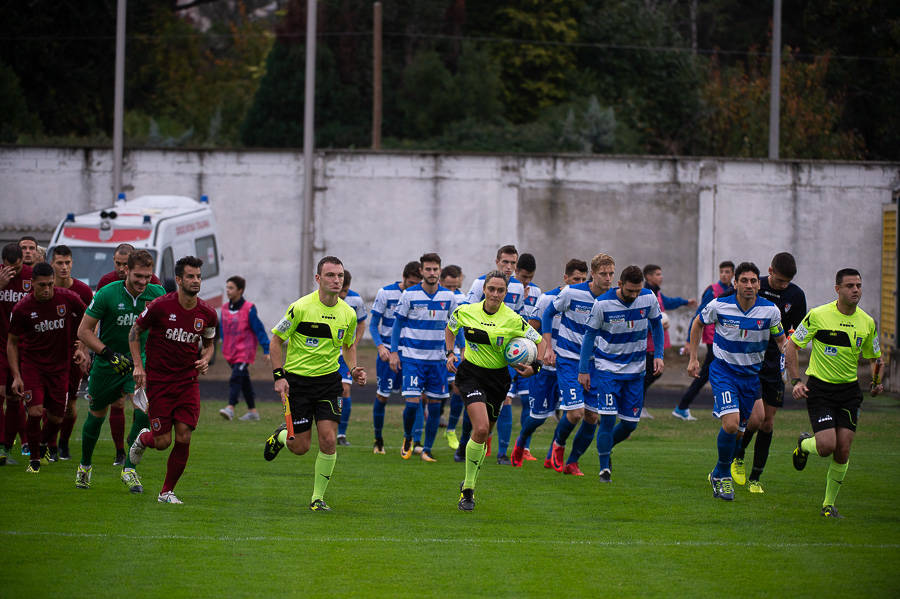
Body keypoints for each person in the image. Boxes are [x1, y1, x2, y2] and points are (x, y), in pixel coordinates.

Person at [262, 256, 366, 512]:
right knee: (300, 447)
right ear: (318, 279)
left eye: (340, 275)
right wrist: (279, 377)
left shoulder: (348, 313)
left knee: (329, 440)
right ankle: (282, 436)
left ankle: (317, 498)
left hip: (329, 383)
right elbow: (275, 341)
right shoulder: (300, 307)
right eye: (330, 275)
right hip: (298, 382)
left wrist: (353, 369)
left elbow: (348, 346)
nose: (336, 280)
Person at [687, 262, 787, 502]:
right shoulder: (720, 305)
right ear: (735, 283)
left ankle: (719, 471)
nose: (749, 285)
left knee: (742, 432)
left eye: (753, 281)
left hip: (751, 377)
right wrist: (693, 358)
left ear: (759, 284)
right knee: (731, 425)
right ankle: (723, 477)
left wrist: (789, 360)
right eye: (744, 280)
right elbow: (698, 322)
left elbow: (782, 341)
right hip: (723, 372)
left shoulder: (770, 311)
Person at [786, 268, 882, 518]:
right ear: (837, 289)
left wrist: (876, 380)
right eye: (850, 286)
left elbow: (875, 357)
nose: (855, 290)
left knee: (843, 450)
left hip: (849, 392)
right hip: (820, 388)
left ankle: (828, 505)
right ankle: (804, 445)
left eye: (859, 285)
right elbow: (792, 346)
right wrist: (796, 380)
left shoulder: (867, 322)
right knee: (827, 446)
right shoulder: (818, 315)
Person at [446, 270, 542, 511]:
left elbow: (539, 342)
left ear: (506, 293)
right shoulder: (465, 311)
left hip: (498, 380)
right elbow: (451, 327)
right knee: (479, 428)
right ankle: (468, 490)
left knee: (485, 434)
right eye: (492, 289)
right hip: (470, 375)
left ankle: (469, 481)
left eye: (500, 290)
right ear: (484, 290)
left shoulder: (513, 319)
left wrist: (535, 367)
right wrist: (450, 352)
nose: (495, 294)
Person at [127, 256, 218, 504]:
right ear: (179, 279)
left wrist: (206, 358)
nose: (196, 281)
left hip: (187, 382)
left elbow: (209, 344)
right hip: (159, 383)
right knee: (162, 442)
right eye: (190, 276)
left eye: (198, 276)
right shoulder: (159, 306)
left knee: (185, 436)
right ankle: (144, 438)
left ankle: (166, 492)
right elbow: (134, 332)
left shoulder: (207, 313)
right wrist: (138, 366)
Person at [76, 250, 165, 492]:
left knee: (144, 412)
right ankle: (84, 466)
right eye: (138, 276)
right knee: (97, 415)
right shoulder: (107, 293)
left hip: (140, 362)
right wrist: (107, 354)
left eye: (147, 276)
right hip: (107, 363)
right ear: (126, 270)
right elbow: (83, 331)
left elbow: (166, 328)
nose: (143, 282)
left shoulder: (156, 294)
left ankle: (129, 469)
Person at [579, 266, 664, 482]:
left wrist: (659, 355)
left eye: (638, 291)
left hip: (636, 371)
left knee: (629, 425)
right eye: (630, 291)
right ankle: (604, 467)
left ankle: (606, 445)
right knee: (607, 419)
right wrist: (583, 370)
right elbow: (589, 336)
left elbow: (657, 325)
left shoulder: (648, 298)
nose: (634, 296)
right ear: (620, 285)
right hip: (608, 369)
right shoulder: (603, 304)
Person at [731, 253, 807, 492]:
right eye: (780, 280)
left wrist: (790, 352)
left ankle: (756, 478)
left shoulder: (796, 296)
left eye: (787, 282)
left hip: (774, 364)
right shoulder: (754, 285)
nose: (783, 286)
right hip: (750, 362)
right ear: (770, 271)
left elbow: (798, 332)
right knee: (754, 418)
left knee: (767, 422)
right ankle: (738, 455)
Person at [540, 253, 615, 475]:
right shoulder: (572, 292)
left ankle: (573, 462)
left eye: (611, 274)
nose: (608, 278)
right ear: (593, 274)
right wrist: (549, 347)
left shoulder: (613, 299)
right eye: (603, 274)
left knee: (592, 416)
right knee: (575, 413)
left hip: (596, 364)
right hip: (569, 359)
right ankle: (558, 444)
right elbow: (547, 314)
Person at [7, 262, 87, 472]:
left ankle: (41, 443)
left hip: (61, 367)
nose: (46, 289)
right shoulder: (23, 308)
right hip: (33, 367)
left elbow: (88, 321)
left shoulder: (67, 298)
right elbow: (12, 342)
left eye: (50, 284)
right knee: (34, 412)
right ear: (32, 283)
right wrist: (16, 376)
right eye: (42, 285)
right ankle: (34, 460)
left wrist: (82, 348)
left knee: (57, 417)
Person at [511, 258, 588, 468]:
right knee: (538, 417)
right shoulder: (547, 299)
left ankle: (553, 452)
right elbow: (531, 330)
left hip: (570, 367)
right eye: (575, 279)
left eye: (583, 279)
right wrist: (539, 354)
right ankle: (521, 442)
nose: (579, 282)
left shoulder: (589, 300)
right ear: (565, 278)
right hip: (545, 369)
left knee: (572, 412)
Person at [455, 245, 526, 464]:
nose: (509, 267)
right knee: (476, 410)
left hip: (503, 358)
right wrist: (463, 349)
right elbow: (464, 318)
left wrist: (520, 353)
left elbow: (519, 322)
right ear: (497, 262)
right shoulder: (480, 283)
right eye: (505, 262)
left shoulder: (519, 288)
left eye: (513, 263)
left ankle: (501, 451)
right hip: (477, 356)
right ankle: (465, 444)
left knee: (505, 402)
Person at [390, 253, 459, 461]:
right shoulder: (409, 295)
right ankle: (408, 436)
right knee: (412, 403)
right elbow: (397, 325)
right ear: (421, 271)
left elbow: (456, 326)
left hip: (438, 360)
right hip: (412, 358)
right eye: (428, 269)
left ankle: (427, 449)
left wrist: (458, 351)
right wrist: (394, 352)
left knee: (436, 406)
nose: (432, 273)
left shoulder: (449, 297)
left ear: (440, 270)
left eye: (435, 269)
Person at [97, 243, 159, 464]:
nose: (122, 268)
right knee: (116, 405)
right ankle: (119, 452)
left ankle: (133, 442)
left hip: (141, 355)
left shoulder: (152, 285)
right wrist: (92, 349)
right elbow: (96, 321)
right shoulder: (106, 284)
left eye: (126, 264)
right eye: (118, 264)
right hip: (113, 356)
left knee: (142, 405)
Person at [369, 261, 422, 454]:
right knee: (382, 396)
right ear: (404, 278)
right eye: (410, 282)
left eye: (417, 283)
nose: (413, 286)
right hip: (387, 354)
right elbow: (373, 325)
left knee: (415, 397)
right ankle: (378, 439)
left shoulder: (420, 296)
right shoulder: (385, 293)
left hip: (410, 354)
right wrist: (381, 346)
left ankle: (415, 441)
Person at [673, 261, 734, 421]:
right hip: (713, 338)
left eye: (727, 272)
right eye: (722, 272)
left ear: (733, 274)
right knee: (711, 372)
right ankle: (684, 407)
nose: (724, 275)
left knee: (713, 372)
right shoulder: (712, 290)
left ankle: (685, 407)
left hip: (727, 339)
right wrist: (688, 341)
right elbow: (698, 316)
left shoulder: (734, 290)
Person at [49, 245, 94, 460]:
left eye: (67, 263)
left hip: (73, 353)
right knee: (48, 403)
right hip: (46, 354)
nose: (64, 267)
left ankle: (63, 444)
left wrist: (83, 350)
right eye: (60, 263)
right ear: (52, 264)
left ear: (72, 263)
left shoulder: (83, 291)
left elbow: (91, 324)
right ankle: (47, 443)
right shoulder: (42, 288)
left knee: (70, 403)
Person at [500, 253, 540, 461]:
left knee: (528, 401)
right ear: (516, 273)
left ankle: (524, 447)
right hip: (506, 352)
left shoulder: (536, 292)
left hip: (527, 352)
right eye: (523, 277)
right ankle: (496, 446)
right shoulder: (506, 289)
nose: (526, 282)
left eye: (530, 278)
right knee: (504, 399)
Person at [642, 264, 697, 417]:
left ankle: (637, 405)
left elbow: (668, 302)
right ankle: (636, 406)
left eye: (661, 274)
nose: (661, 277)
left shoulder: (657, 293)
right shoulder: (645, 294)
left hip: (655, 343)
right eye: (658, 274)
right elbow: (640, 317)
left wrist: (685, 302)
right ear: (648, 277)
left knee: (653, 373)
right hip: (646, 343)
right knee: (649, 374)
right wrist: (657, 324)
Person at [218, 275, 270, 422]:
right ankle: (253, 412)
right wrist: (222, 341)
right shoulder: (224, 309)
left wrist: (266, 349)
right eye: (227, 287)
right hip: (230, 351)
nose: (228, 291)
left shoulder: (249, 309)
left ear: (240, 290)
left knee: (235, 378)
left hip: (244, 352)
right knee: (244, 380)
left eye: (231, 288)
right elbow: (222, 328)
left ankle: (230, 407)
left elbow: (259, 329)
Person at [0, 243, 33, 465]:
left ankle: (9, 445)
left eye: (17, 266)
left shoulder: (32, 277)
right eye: (9, 267)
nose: (13, 271)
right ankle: (2, 446)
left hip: (24, 347)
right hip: (0, 344)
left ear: (23, 261)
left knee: (16, 397)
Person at [336, 270, 367, 445]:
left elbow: (362, 322)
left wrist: (354, 342)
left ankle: (341, 432)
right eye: (341, 291)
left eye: (345, 291)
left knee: (344, 390)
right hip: (326, 354)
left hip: (344, 355)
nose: (342, 295)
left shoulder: (355, 301)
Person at [439, 265, 465, 449]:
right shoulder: (437, 297)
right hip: (431, 351)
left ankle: (450, 429)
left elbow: (461, 326)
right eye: (448, 287)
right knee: (430, 395)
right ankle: (434, 416)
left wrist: (462, 348)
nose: (452, 291)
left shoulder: (463, 299)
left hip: (453, 350)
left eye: (454, 287)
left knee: (457, 387)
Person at [96, 243, 162, 289]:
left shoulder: (152, 281)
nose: (121, 269)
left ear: (133, 261)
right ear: (113, 260)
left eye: (125, 264)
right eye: (118, 264)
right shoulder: (106, 281)